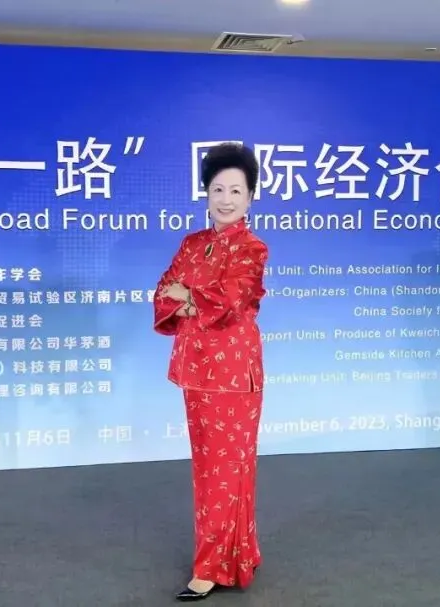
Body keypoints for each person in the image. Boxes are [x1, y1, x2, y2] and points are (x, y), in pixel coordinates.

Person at [153, 142, 269, 601]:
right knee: (211, 468)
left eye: (236, 190)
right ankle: (240, 555)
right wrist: (188, 298)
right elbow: (164, 291)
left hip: (234, 374)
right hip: (195, 369)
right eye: (218, 189)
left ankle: (211, 567)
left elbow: (229, 301)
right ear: (206, 193)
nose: (226, 199)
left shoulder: (252, 248)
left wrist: (189, 295)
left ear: (250, 197)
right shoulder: (192, 244)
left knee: (228, 469)